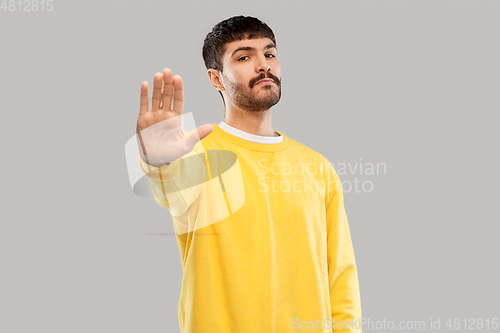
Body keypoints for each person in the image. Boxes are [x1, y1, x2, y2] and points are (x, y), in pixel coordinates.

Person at [136, 15, 362, 333]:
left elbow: (341, 277)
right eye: (244, 57)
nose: (263, 65)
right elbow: (170, 186)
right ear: (216, 79)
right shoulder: (197, 154)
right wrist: (158, 162)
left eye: (269, 54)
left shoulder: (317, 167)